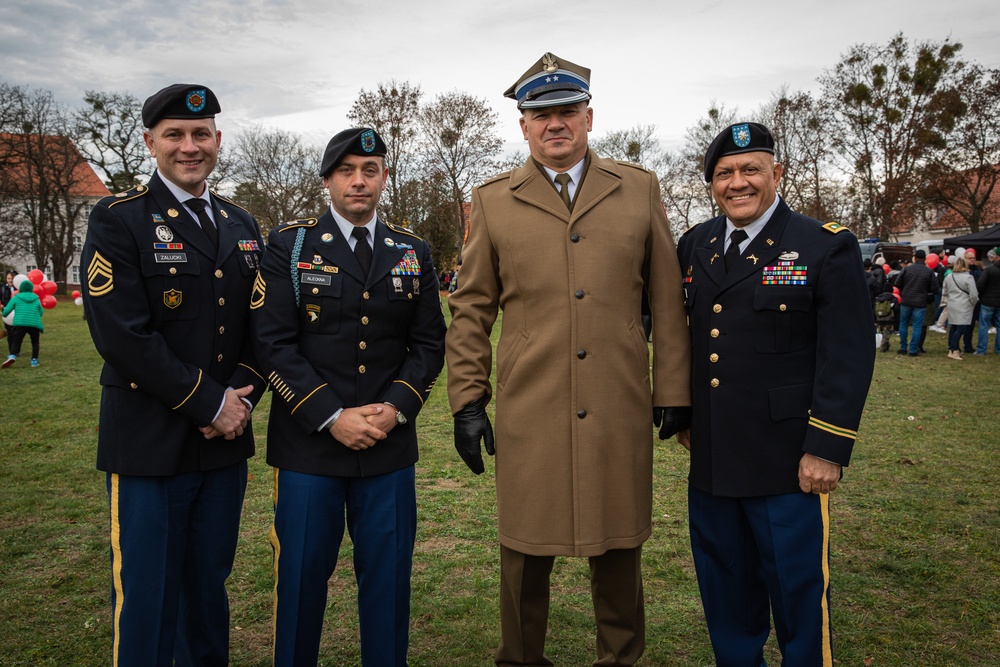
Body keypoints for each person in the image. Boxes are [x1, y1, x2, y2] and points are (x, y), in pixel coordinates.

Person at [445, 52, 691, 666]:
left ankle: (620, 657)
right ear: (522, 126)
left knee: (620, 543)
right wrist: (467, 399)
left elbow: (666, 297)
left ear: (589, 116)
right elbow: (472, 309)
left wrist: (674, 392)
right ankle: (521, 658)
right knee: (524, 550)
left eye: (566, 112)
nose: (555, 124)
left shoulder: (638, 188)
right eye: (540, 115)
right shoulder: (494, 201)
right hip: (534, 401)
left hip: (617, 397)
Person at [676, 122, 875, 666]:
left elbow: (849, 353)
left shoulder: (823, 244)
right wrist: (680, 415)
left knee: (798, 599)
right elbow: (681, 337)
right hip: (714, 460)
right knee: (727, 595)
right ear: (712, 184)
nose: (737, 182)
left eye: (750, 170)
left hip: (789, 462)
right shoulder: (695, 244)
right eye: (724, 174)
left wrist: (828, 447)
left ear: (775, 174)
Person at [80, 83, 265, 667]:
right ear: (150, 143)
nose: (190, 146)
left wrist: (239, 399)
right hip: (149, 445)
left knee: (207, 592)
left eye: (201, 134)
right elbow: (120, 335)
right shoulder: (118, 219)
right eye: (175, 136)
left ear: (218, 140)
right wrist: (210, 403)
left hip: (222, 449)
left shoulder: (241, 224)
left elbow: (262, 329)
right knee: (148, 597)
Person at [251, 127, 446, 666]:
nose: (359, 182)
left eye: (371, 170)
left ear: (385, 176)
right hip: (309, 449)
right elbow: (272, 342)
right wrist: (331, 415)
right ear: (327, 180)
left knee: (388, 586)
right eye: (346, 171)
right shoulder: (289, 246)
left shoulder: (412, 250)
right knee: (299, 586)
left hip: (387, 446)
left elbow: (429, 343)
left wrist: (397, 408)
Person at [895, 249, 938, 356]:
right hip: (920, 301)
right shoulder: (928, 271)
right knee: (917, 326)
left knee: (903, 324)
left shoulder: (906, 269)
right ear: (925, 258)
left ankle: (903, 347)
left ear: (915, 258)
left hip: (906, 299)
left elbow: (897, 283)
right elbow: (935, 288)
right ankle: (913, 349)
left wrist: (905, 289)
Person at [941, 257, 978, 360]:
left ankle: (954, 348)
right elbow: (974, 294)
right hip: (964, 305)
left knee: (954, 327)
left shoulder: (948, 277)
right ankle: (953, 350)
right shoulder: (968, 278)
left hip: (952, 304)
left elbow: (946, 291)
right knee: (961, 328)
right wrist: (972, 303)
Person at [2, 278, 44, 367]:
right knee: (35, 342)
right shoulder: (36, 298)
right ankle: (34, 360)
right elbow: (41, 312)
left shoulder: (16, 298)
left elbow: (7, 311)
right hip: (34, 324)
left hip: (20, 323)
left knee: (17, 340)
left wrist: (3, 313)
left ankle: (12, 355)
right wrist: (34, 317)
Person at [975, 247, 1000, 354]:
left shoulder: (989, 270)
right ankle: (998, 349)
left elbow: (980, 285)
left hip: (987, 301)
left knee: (984, 325)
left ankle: (981, 349)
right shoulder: (989, 269)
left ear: (996, 256)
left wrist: (980, 297)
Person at [1, 270, 17, 350]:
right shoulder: (3, 288)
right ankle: (12, 349)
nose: (10, 280)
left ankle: (16, 349)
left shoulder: (19, 288)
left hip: (17, 312)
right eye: (8, 278)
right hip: (7, 313)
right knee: (10, 332)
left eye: (12, 278)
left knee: (17, 332)